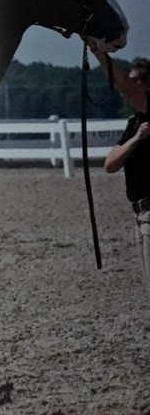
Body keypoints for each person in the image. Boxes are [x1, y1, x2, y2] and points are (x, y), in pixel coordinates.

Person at [92, 44, 150, 287]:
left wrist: (98, 52)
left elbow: (122, 85)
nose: (131, 85)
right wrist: (135, 141)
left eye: (138, 81)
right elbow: (110, 164)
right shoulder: (136, 123)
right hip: (141, 213)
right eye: (132, 80)